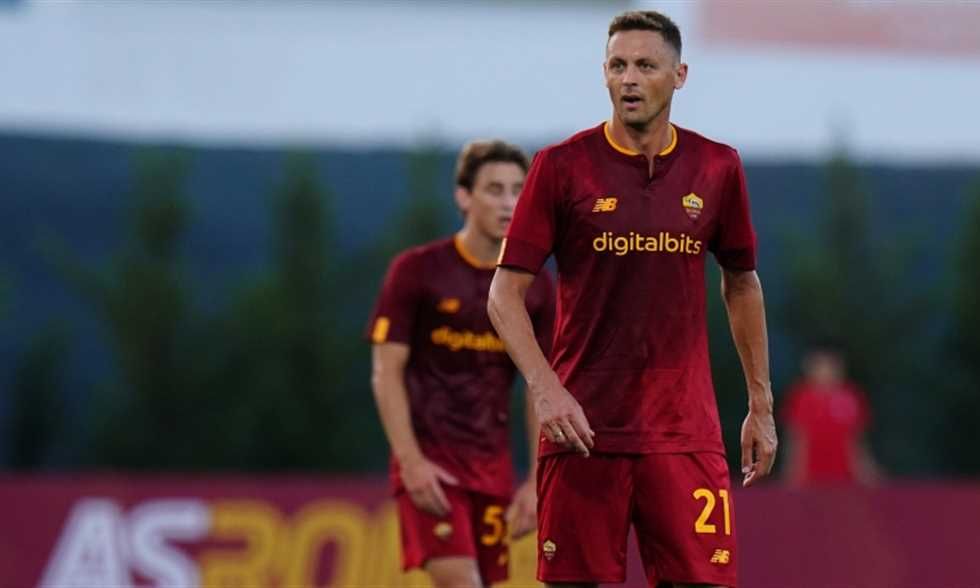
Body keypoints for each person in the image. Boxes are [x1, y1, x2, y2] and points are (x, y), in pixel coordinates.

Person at [487, 10, 776, 588]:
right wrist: (547, 391)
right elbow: (503, 295)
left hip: (684, 435)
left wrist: (761, 404)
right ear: (604, 74)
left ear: (680, 75)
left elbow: (741, 283)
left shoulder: (717, 167)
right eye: (618, 66)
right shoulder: (561, 167)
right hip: (582, 434)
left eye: (645, 65)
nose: (629, 79)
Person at [368, 140, 556, 588]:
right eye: (494, 189)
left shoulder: (536, 287)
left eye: (518, 190)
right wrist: (410, 462)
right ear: (464, 196)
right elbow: (386, 372)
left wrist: (536, 481)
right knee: (461, 582)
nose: (508, 203)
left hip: (492, 468)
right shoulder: (417, 271)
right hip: (431, 464)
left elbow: (541, 388)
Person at [781, 345, 881, 486]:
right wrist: (793, 476)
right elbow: (796, 439)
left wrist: (868, 474)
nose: (826, 372)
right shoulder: (800, 397)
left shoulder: (851, 396)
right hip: (810, 481)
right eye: (820, 366)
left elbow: (857, 443)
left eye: (831, 366)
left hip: (845, 480)